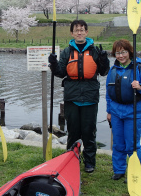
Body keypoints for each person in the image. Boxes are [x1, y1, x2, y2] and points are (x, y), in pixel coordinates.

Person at [48, 20, 109, 173]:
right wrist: (53, 64)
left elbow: (103, 71)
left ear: (86, 32)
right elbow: (61, 73)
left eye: (82, 30)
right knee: (73, 131)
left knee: (89, 131)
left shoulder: (94, 51)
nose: (79, 33)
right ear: (72, 33)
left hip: (90, 96)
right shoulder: (67, 52)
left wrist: (104, 59)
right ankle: (71, 159)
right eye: (76, 30)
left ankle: (89, 162)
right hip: (72, 96)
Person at [106, 39, 141, 180]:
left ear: (129, 52)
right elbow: (108, 93)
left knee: (132, 145)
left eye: (123, 52)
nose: (120, 56)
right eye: (117, 53)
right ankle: (119, 170)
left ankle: (134, 172)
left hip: (133, 112)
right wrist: (109, 111)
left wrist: (140, 87)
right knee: (118, 144)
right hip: (116, 112)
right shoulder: (113, 70)